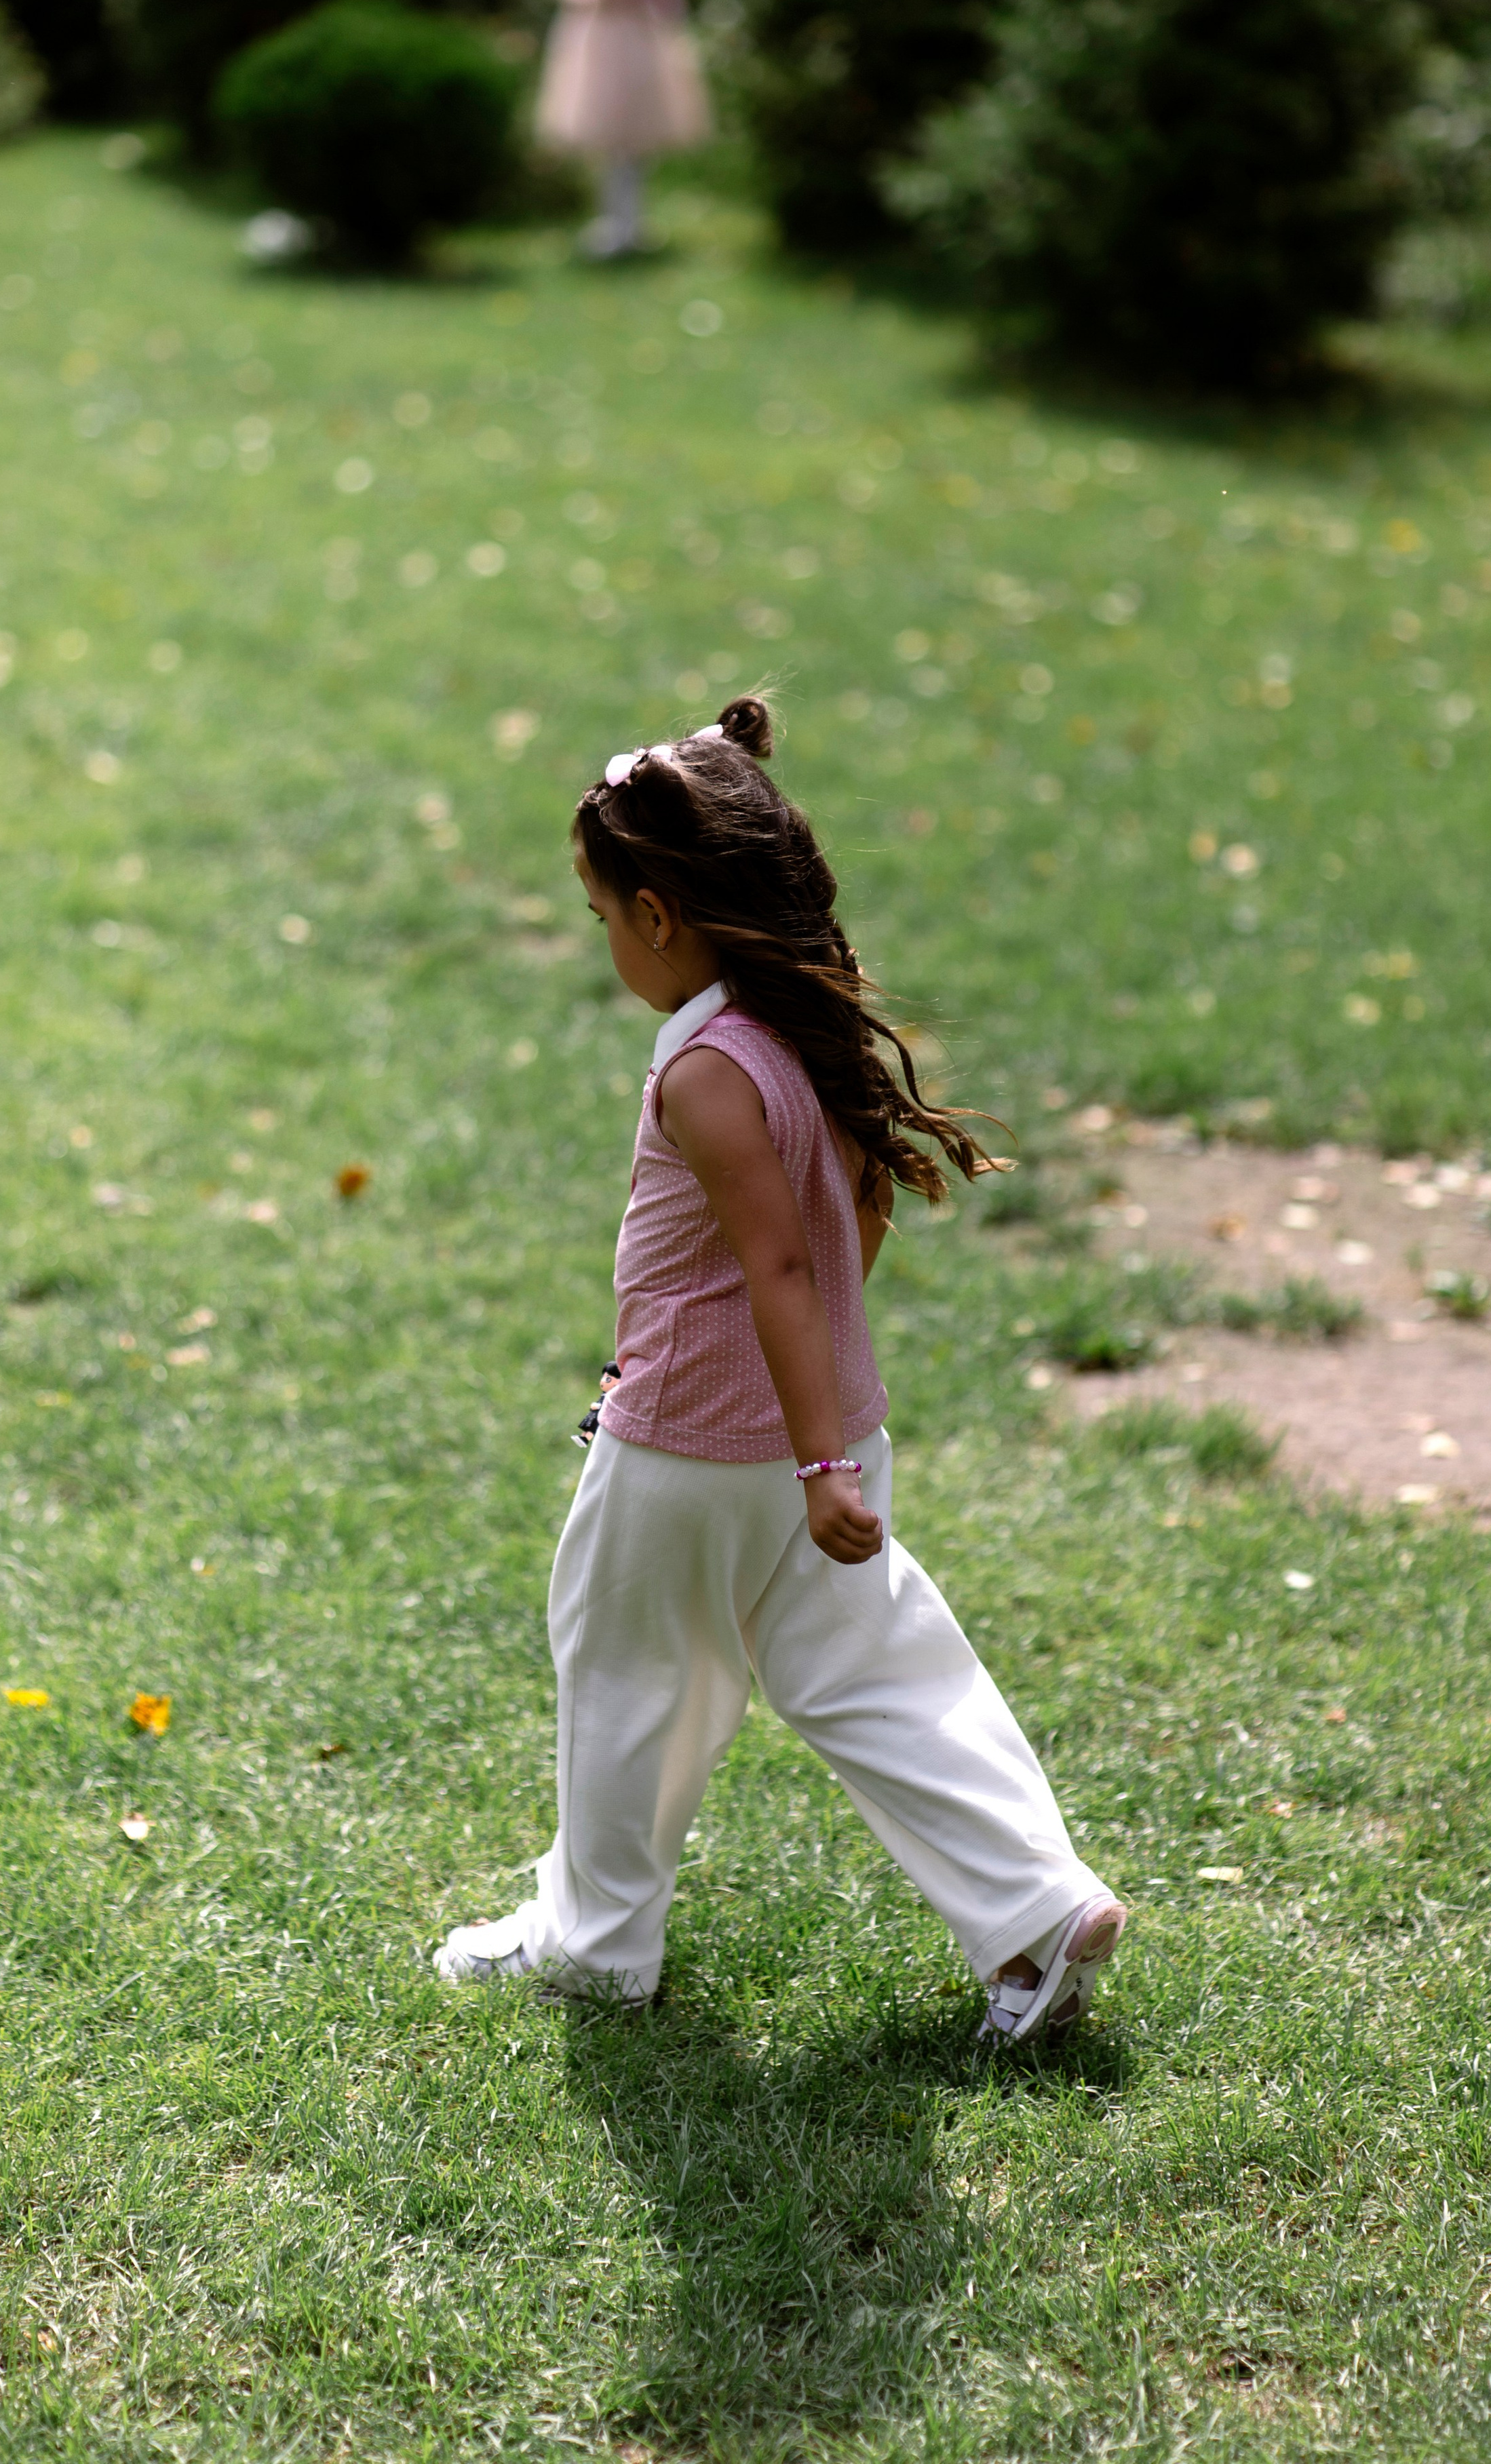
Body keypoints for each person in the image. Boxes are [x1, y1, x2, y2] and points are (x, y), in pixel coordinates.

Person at [433, 699, 1127, 2044]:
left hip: (696, 1448)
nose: (603, 946)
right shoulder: (804, 1036)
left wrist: (799, 1456)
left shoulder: (705, 1073)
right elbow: (848, 1229)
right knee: (879, 1674)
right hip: (824, 1445)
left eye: (597, 918)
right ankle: (1037, 1912)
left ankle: (597, 1943)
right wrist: (825, 1443)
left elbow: (779, 1272)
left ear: (654, 915)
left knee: (627, 1669)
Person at [535, 0, 711, 258]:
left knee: (617, 138)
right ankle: (625, 225)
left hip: (614, 37)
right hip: (638, 35)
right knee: (629, 142)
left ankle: (620, 229)